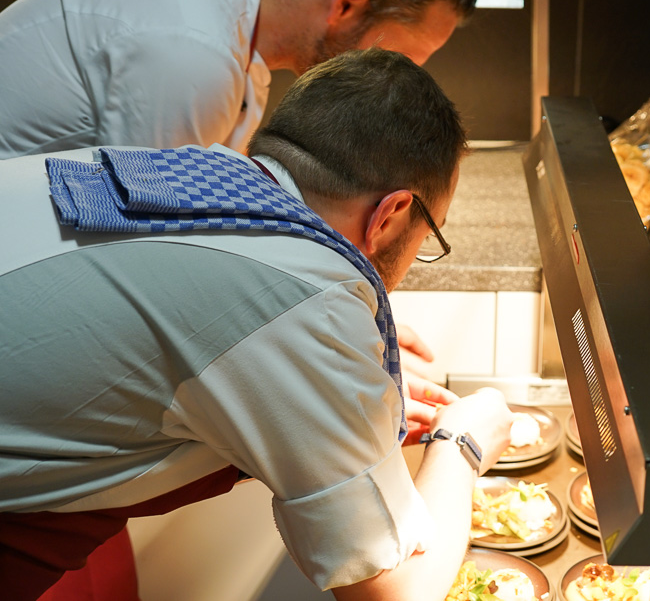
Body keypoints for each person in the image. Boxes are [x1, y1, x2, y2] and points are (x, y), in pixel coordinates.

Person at [0, 47, 514, 601]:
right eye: (428, 235)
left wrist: (343, 395)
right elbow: (396, 594)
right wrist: (463, 442)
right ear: (390, 214)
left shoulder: (193, 177)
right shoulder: (306, 297)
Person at [0, 0, 476, 159]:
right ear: (348, 4)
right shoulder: (195, 48)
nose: (397, 72)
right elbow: (150, 244)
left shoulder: (226, 7)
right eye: (405, 57)